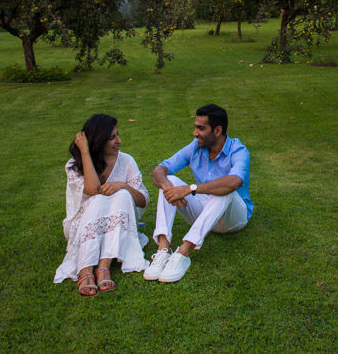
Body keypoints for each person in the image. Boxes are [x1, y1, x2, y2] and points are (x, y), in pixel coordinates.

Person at [146, 103, 253, 283]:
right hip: (205, 212)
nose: (195, 133)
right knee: (170, 181)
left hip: (233, 218)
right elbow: (160, 169)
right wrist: (169, 190)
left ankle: (184, 252)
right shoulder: (196, 146)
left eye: (201, 128)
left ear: (217, 130)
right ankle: (163, 249)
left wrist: (190, 189)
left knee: (225, 190)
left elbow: (234, 182)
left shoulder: (238, 150)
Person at [54, 114, 149, 295]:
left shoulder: (127, 161)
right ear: (98, 141)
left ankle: (103, 266)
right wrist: (85, 152)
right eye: (112, 138)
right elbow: (93, 189)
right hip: (82, 225)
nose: (119, 141)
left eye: (117, 135)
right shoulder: (74, 165)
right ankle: (85, 269)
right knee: (97, 198)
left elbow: (143, 200)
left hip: (119, 222)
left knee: (121, 194)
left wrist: (123, 186)